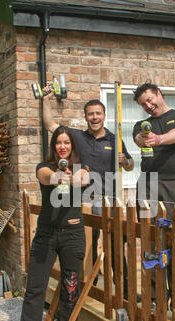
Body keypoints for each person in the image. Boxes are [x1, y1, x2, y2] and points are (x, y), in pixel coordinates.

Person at [2, 126, 89, 321]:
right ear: (53, 146)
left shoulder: (81, 170)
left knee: (71, 288)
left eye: (67, 143)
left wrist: (72, 178)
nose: (63, 146)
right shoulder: (44, 168)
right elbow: (47, 177)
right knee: (35, 286)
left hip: (72, 235)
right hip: (46, 235)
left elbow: (84, 181)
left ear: (72, 146)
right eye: (58, 143)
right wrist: (58, 177)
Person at [42, 89, 137, 300]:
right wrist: (45, 100)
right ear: (85, 117)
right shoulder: (77, 137)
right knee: (86, 246)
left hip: (109, 199)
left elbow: (130, 166)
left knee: (115, 246)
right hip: (84, 199)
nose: (94, 117)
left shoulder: (114, 139)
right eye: (90, 114)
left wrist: (124, 160)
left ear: (104, 116)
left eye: (98, 113)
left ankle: (125, 291)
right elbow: (50, 125)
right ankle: (88, 288)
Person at [133, 83, 175, 308]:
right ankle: (153, 297)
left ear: (159, 94)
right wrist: (143, 138)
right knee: (149, 238)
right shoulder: (142, 125)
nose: (148, 106)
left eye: (150, 100)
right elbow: (138, 139)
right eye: (143, 104)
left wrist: (158, 139)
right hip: (147, 183)